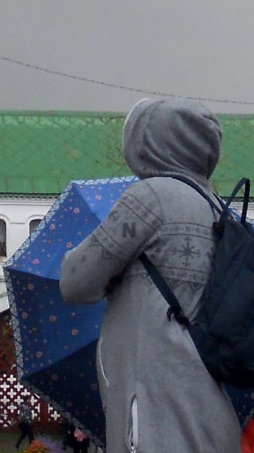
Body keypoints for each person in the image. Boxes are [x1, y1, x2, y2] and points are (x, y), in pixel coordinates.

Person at [60, 98, 239, 453]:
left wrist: (105, 274)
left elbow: (75, 282)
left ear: (150, 143)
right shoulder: (218, 209)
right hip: (207, 409)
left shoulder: (150, 196)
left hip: (156, 412)